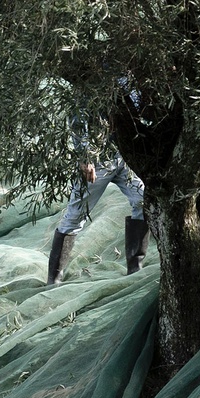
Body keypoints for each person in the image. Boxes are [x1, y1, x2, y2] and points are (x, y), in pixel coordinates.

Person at [48, 121, 149, 285]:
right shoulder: (84, 96)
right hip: (97, 163)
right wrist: (85, 158)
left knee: (143, 201)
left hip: (124, 159)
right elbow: (77, 121)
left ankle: (135, 268)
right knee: (75, 217)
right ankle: (53, 279)